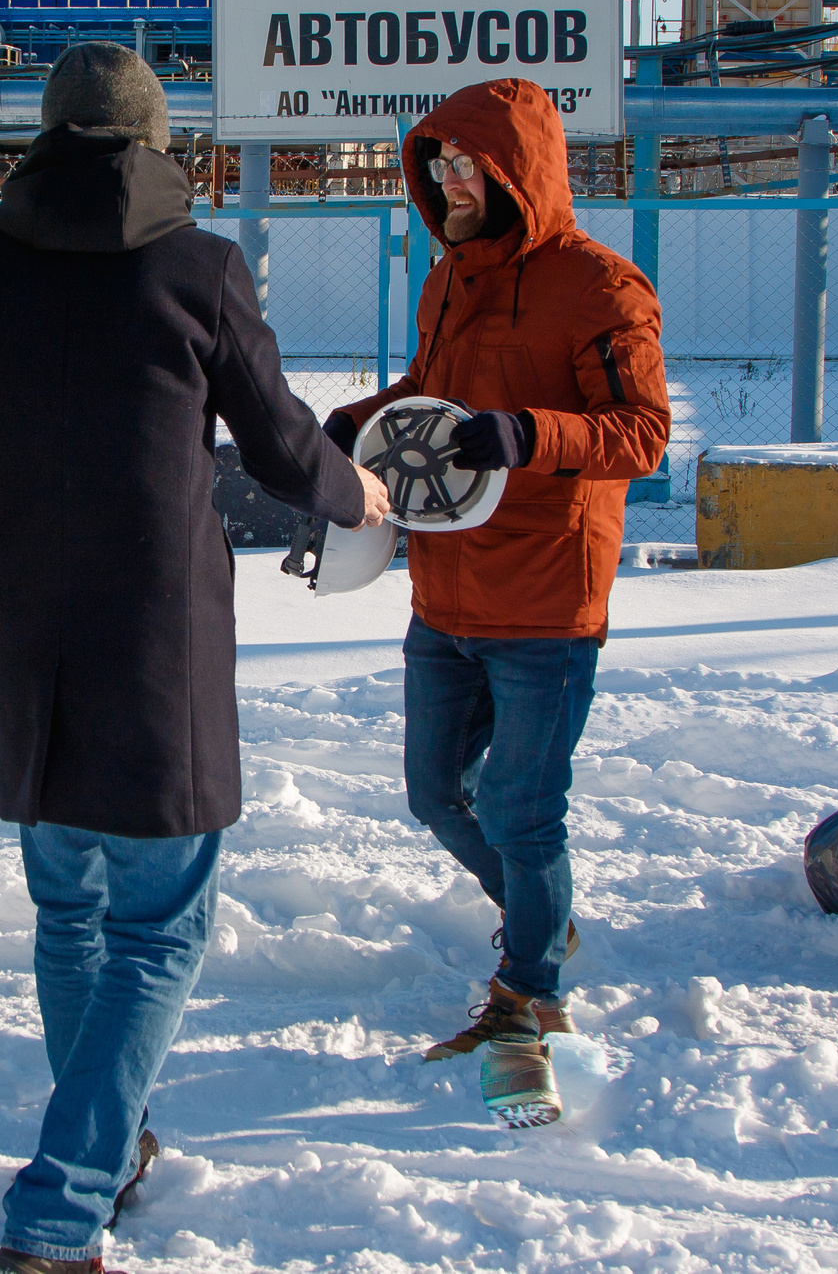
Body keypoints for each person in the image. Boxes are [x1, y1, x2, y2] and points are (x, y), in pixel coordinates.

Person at [0, 42, 388, 1274]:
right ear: (156, 142)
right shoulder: (196, 267)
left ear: (47, 136)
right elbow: (279, 442)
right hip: (160, 644)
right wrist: (357, 495)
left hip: (25, 634)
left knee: (70, 918)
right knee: (156, 932)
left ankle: (115, 1141)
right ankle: (58, 1209)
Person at [323, 77, 670, 1127]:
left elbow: (643, 434)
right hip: (445, 587)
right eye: (433, 165)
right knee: (435, 792)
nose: (445, 181)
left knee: (523, 808)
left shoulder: (602, 288)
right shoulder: (448, 280)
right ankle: (537, 921)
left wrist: (531, 434)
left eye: (465, 165)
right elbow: (429, 393)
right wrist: (356, 417)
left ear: (517, 171)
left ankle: (530, 994)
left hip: (546, 597)